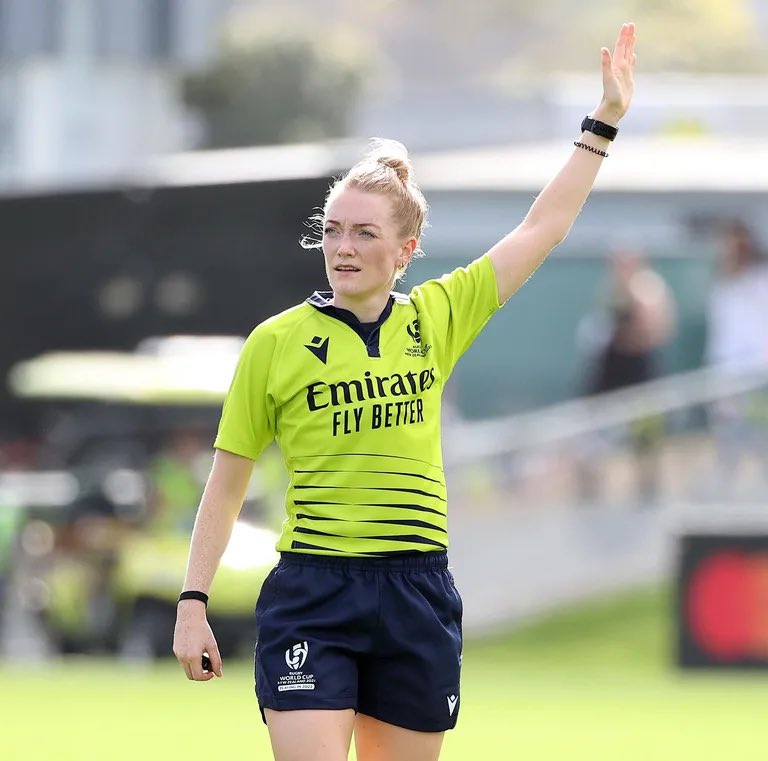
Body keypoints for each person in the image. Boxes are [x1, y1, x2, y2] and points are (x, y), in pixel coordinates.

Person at [173, 22, 637, 761]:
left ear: (405, 249)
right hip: (314, 593)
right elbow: (226, 483)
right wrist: (192, 601)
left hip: (415, 589)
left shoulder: (438, 315)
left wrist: (603, 120)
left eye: (363, 233)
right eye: (333, 231)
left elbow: (542, 228)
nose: (343, 247)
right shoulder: (274, 343)